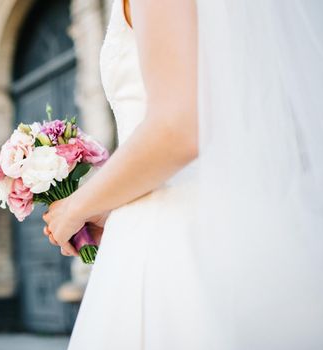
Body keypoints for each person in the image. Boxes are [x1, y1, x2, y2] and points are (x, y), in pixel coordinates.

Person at [43, 0, 323, 349]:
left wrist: (75, 207)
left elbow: (177, 129)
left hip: (176, 245)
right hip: (261, 223)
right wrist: (111, 203)